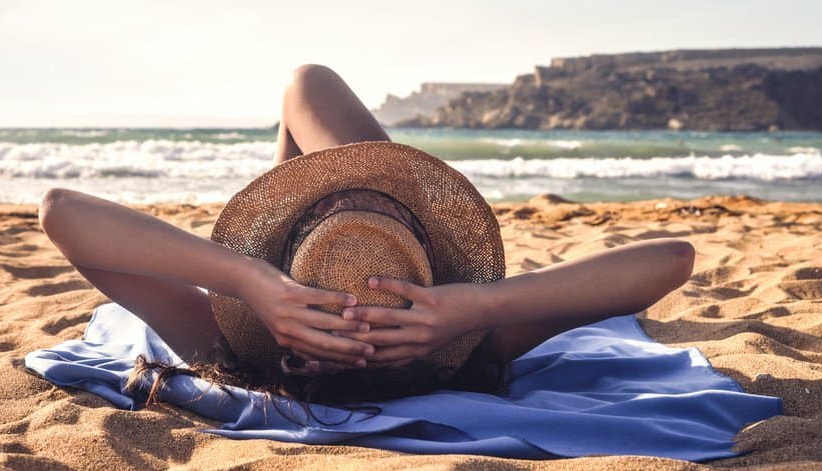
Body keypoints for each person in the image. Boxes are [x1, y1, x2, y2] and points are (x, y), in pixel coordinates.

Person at [38, 64, 695, 406]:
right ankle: (350, 207)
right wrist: (475, 306)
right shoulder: (462, 343)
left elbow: (60, 213)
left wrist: (249, 281)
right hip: (416, 313)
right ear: (433, 265)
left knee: (302, 89)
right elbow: (672, 259)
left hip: (286, 300)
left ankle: (328, 211)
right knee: (307, 94)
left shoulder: (246, 346)